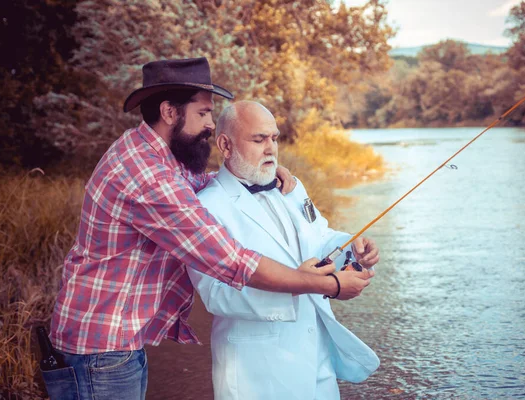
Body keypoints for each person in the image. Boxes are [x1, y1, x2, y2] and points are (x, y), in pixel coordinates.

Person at [42, 58, 374, 400]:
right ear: (171, 112)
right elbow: (232, 262)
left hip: (114, 342)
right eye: (203, 113)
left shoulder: (152, 155)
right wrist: (329, 285)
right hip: (100, 349)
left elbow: (197, 182)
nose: (211, 125)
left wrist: (260, 169)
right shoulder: (147, 175)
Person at [188, 101, 380, 400]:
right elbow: (216, 295)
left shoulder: (289, 187)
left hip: (318, 356)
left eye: (274, 138)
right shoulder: (205, 207)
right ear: (225, 145)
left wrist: (353, 250)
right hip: (258, 371)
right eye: (258, 139)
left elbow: (320, 237)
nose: (270, 149)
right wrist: (299, 283)